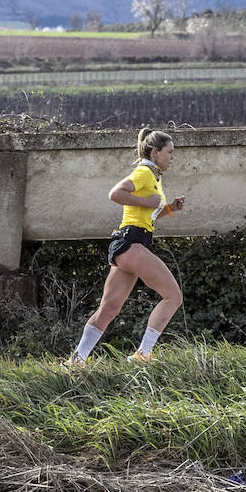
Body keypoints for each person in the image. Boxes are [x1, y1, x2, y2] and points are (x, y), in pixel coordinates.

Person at [67, 127, 186, 365]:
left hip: (127, 242)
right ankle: (142, 354)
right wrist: (147, 201)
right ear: (155, 153)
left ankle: (76, 361)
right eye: (170, 152)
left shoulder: (153, 177)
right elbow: (115, 193)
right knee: (173, 296)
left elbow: (147, 215)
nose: (173, 158)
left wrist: (169, 208)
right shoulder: (143, 172)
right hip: (132, 242)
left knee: (109, 308)